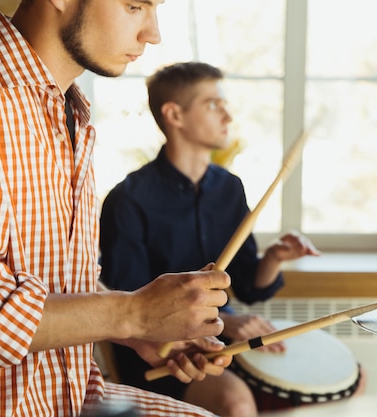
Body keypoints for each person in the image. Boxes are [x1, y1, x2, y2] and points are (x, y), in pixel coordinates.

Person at [0, 2, 236, 416]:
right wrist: (131, 314)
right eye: (135, 5)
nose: (152, 34)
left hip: (64, 397)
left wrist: (143, 328)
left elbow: (52, 282)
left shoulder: (70, 110)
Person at [99, 62, 321, 417]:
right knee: (235, 403)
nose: (228, 115)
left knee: (344, 380)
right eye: (213, 104)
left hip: (221, 338)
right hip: (162, 351)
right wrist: (227, 322)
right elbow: (133, 305)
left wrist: (275, 257)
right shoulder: (128, 199)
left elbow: (249, 286)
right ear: (175, 115)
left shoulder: (229, 188)